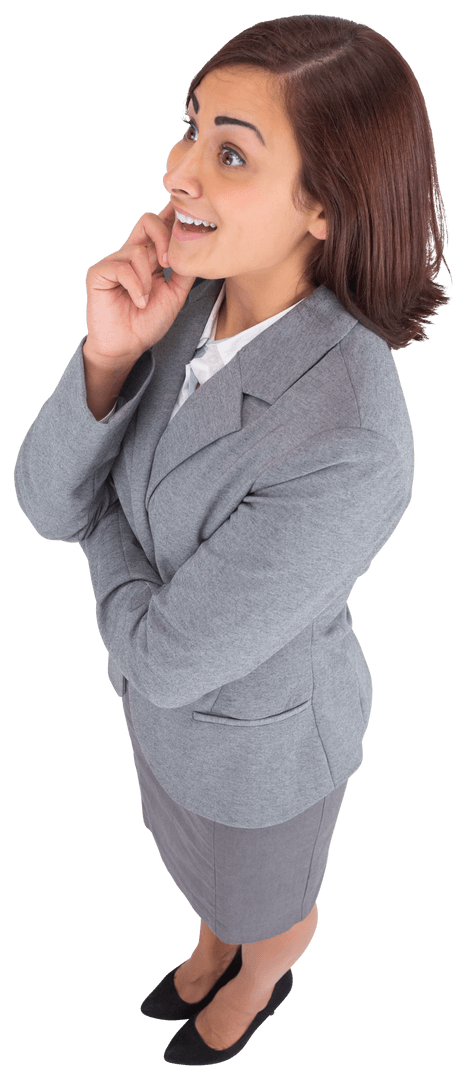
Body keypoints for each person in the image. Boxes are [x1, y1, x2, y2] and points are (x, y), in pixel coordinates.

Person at [12, 13, 451, 1068]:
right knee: (197, 874)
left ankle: (261, 974)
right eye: (191, 127)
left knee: (267, 900)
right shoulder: (183, 303)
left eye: (229, 152)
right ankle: (213, 944)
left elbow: (162, 653)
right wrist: (108, 356)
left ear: (322, 203)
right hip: (164, 730)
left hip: (262, 752)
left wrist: (98, 524)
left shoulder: (350, 436)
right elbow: (40, 502)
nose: (178, 172)